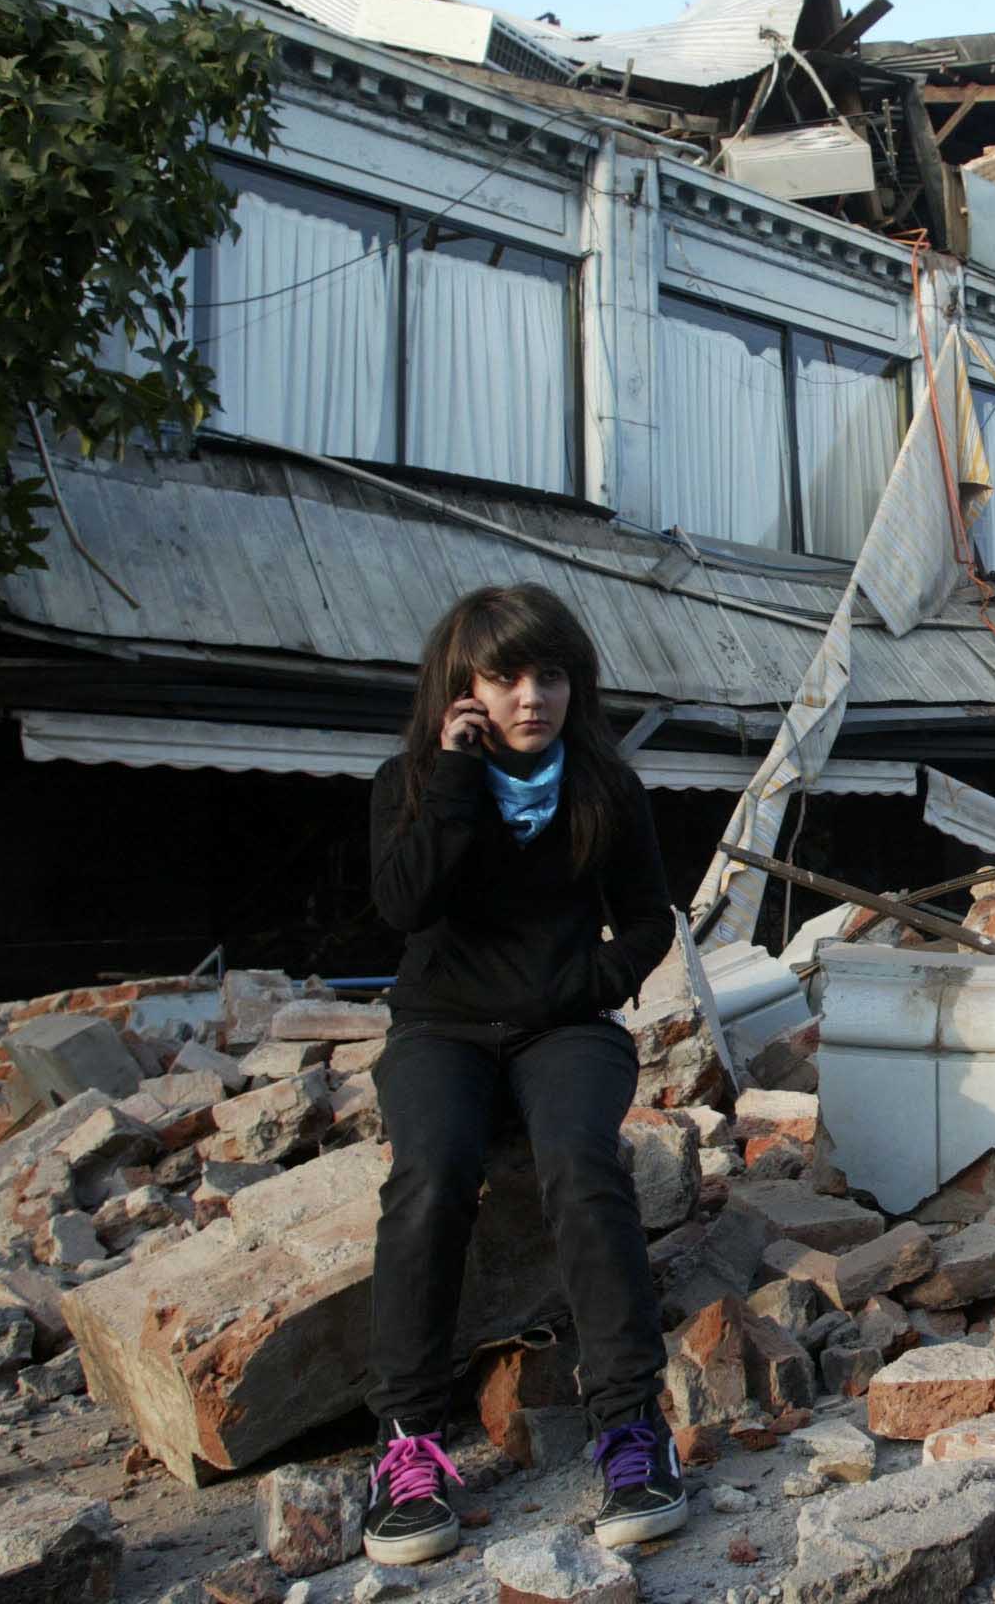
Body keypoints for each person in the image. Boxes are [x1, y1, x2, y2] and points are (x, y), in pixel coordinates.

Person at [361, 583, 682, 1564]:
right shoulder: (412, 779)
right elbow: (404, 906)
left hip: (563, 1028)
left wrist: (589, 978)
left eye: (548, 675)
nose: (529, 697)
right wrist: (457, 778)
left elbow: (648, 919)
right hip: (441, 1030)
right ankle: (407, 1443)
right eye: (503, 678)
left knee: (583, 1166)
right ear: (462, 690)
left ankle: (631, 1428)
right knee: (430, 1178)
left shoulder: (603, 786)